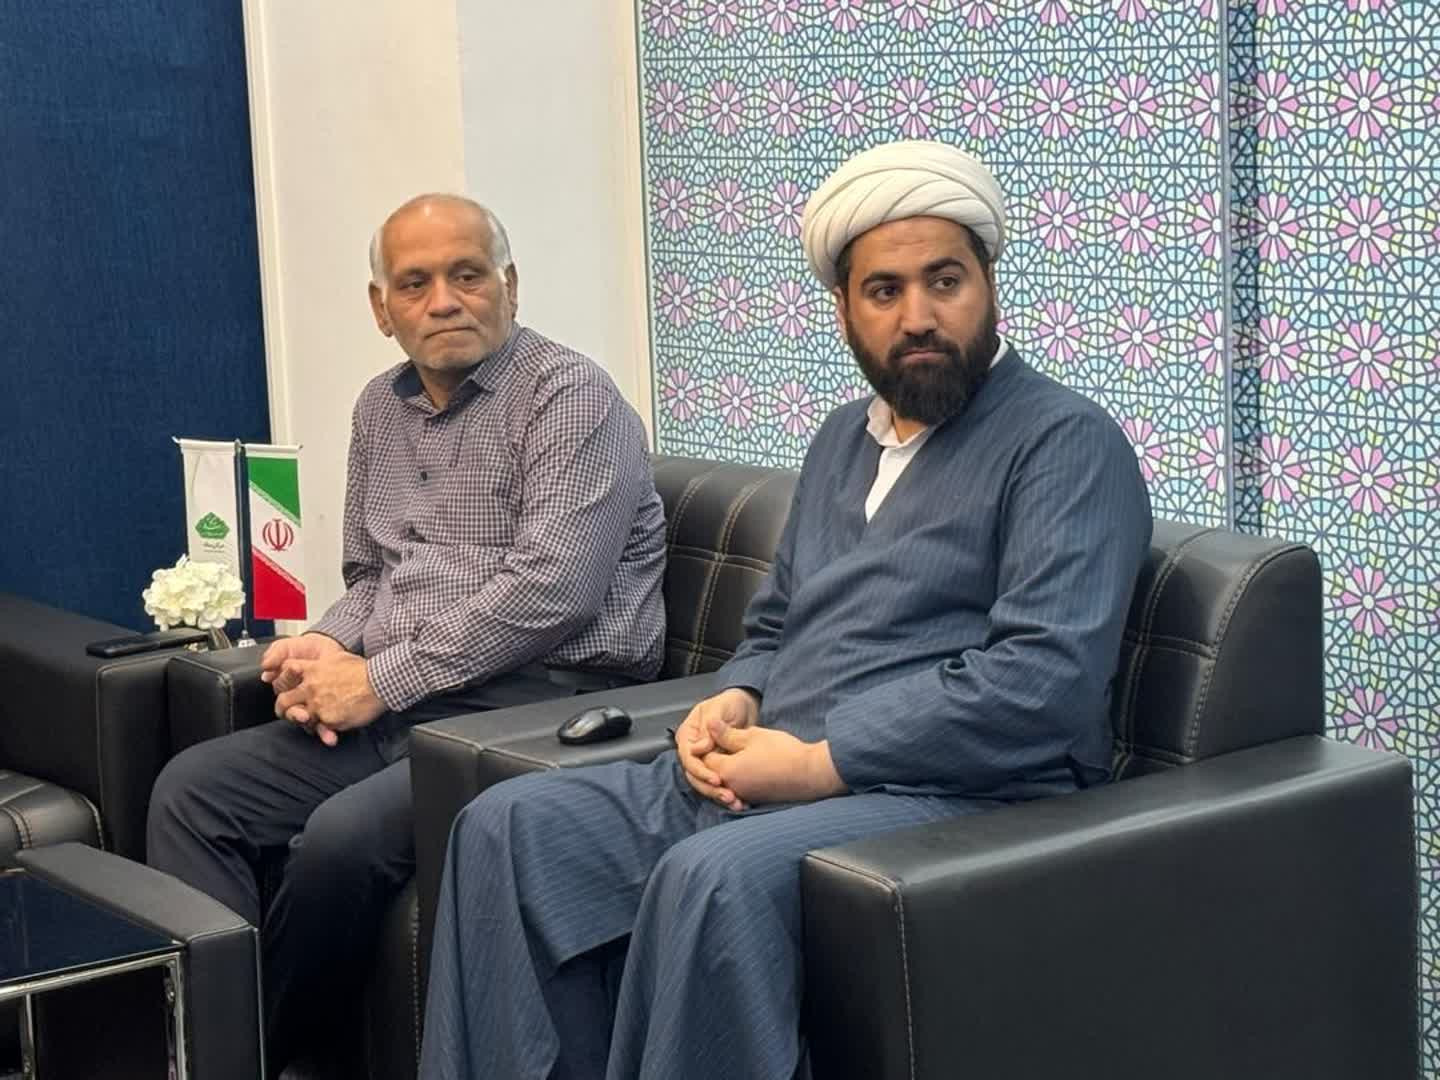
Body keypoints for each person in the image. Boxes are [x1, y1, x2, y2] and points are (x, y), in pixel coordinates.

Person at [418, 142, 1153, 1080]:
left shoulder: (1064, 441)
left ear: (990, 287)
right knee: (504, 828)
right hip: (774, 768)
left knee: (710, 878)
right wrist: (735, 699)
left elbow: (1043, 680)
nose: (918, 316)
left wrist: (817, 764)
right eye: (884, 291)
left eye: (945, 281)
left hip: (954, 791)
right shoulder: (842, 438)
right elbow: (774, 625)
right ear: (843, 311)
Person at [146, 194, 666, 1075]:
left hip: (537, 714)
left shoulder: (572, 399)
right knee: (193, 793)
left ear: (510, 285)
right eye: (416, 283)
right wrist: (323, 645)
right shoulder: (377, 410)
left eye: (468, 275)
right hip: (408, 697)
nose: (445, 301)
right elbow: (372, 576)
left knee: (340, 841)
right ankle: (219, 1057)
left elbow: (554, 592)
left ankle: (274, 1058)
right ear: (381, 308)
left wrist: (377, 681)